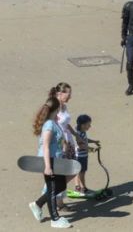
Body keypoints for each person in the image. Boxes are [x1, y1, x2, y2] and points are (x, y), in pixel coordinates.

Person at [29, 97, 71, 228]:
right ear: (57, 108)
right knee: (53, 189)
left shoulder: (54, 122)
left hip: (56, 160)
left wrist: (64, 148)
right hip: (48, 161)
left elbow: (56, 142)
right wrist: (47, 166)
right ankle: (55, 219)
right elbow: (46, 146)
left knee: (61, 186)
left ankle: (37, 204)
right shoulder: (48, 125)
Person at [48, 82, 77, 211]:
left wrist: (76, 134)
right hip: (61, 144)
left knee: (71, 169)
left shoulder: (64, 106)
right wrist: (63, 143)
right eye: (68, 94)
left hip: (69, 141)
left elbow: (66, 124)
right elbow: (55, 127)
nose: (70, 96)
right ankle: (55, 198)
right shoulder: (54, 109)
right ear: (59, 94)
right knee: (66, 171)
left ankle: (58, 198)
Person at [74, 114, 100, 195]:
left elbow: (85, 140)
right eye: (89, 124)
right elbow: (81, 145)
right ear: (83, 125)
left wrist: (94, 141)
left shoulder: (80, 132)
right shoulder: (79, 133)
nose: (90, 126)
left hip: (79, 156)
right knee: (82, 172)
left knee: (77, 171)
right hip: (81, 157)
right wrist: (91, 149)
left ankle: (77, 186)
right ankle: (83, 188)